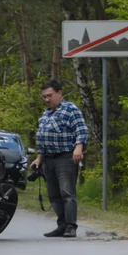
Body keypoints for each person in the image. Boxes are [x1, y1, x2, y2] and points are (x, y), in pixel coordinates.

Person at [30, 80, 89, 238]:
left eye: (50, 95)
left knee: (67, 192)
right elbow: (42, 138)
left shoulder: (70, 109)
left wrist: (78, 148)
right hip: (48, 159)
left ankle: (71, 226)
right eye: (44, 97)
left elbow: (81, 130)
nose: (47, 99)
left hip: (65, 157)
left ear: (60, 93)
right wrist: (39, 158)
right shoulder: (45, 114)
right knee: (53, 194)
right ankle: (61, 225)